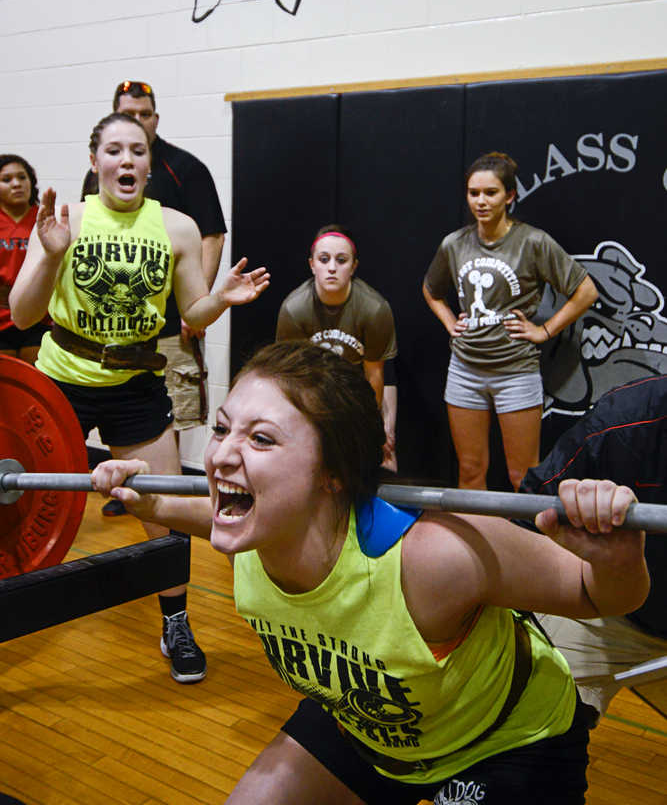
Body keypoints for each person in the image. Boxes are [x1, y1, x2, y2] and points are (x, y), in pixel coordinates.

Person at [92, 340, 649, 804]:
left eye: (261, 438)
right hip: (369, 725)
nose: (219, 457)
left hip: (503, 742)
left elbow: (596, 593)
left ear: (332, 474)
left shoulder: (432, 557)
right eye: (222, 429)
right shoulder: (256, 526)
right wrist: (152, 501)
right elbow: (201, 510)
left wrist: (618, 556)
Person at [10, 111, 269, 684]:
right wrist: (51, 254)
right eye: (114, 150)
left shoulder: (176, 227)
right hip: (62, 381)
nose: (126, 160)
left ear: (150, 163)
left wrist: (221, 298)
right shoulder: (64, 220)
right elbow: (25, 314)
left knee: (165, 510)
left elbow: (192, 315)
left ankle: (175, 621)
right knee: (18, 500)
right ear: (95, 160)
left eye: (137, 150)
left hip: (136, 383)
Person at [82, 81, 227, 513]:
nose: (138, 122)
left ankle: (160, 500)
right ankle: (126, 488)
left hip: (169, 324)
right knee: (115, 411)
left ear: (155, 120)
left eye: (145, 115)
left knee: (171, 414)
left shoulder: (186, 167)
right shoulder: (99, 175)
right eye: (129, 114)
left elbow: (212, 236)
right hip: (110, 329)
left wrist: (193, 305)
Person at [422, 151, 598, 491]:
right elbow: (431, 290)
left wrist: (544, 330)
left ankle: (521, 545)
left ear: (510, 196)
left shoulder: (533, 242)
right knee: (470, 470)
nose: (481, 201)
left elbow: (586, 291)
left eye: (491, 193)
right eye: (474, 193)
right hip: (465, 371)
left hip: (515, 372)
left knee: (522, 477)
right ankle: (476, 545)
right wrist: (449, 323)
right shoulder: (454, 244)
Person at [519, 373, 667, 721]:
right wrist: (590, 567)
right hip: (617, 622)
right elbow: (527, 517)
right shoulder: (623, 419)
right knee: (528, 712)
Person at [276, 224, 399, 468]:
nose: (332, 268)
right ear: (312, 265)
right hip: (315, 386)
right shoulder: (294, 309)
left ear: (353, 267)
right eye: (324, 259)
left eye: (341, 260)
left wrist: (375, 427)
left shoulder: (374, 309)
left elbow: (375, 375)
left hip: (363, 384)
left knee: (384, 459)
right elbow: (290, 377)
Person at [0, 155, 50, 363]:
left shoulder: (46, 220)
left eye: (22, 177)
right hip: (2, 318)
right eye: (7, 179)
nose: (17, 184)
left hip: (38, 317)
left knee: (34, 383)